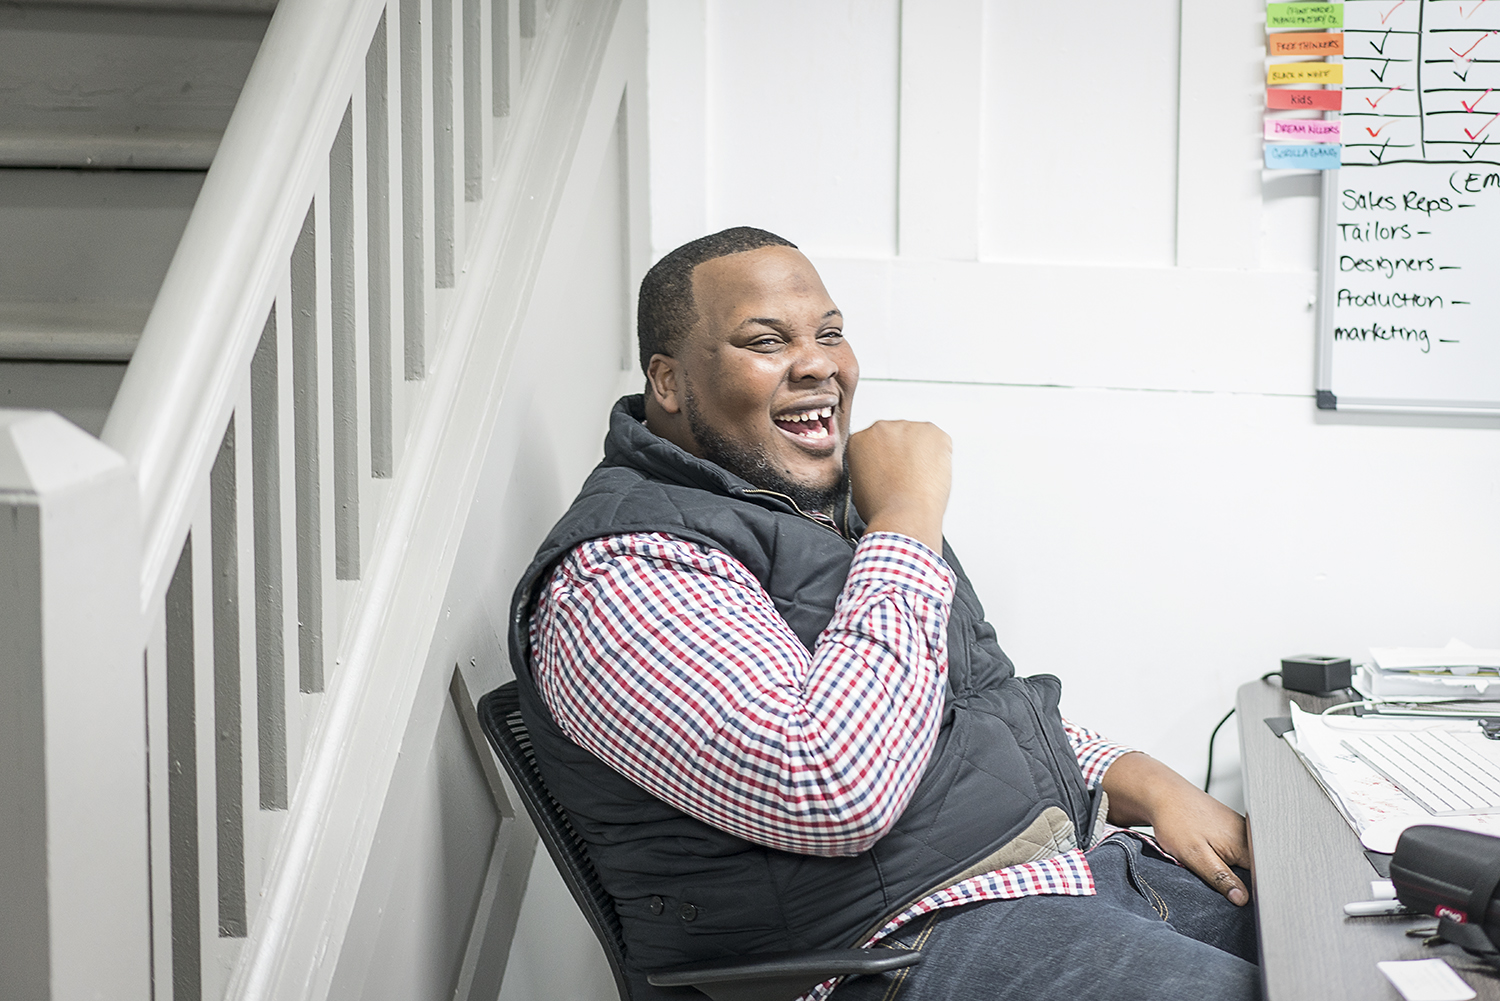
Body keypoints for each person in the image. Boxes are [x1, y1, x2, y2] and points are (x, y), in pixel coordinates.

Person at [507, 227, 1259, 1001]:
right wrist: (905, 516)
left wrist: (1142, 776)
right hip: (885, 955)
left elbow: (959, 710)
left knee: (1351, 935)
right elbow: (834, 789)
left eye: (830, 333)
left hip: (1049, 879)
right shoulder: (622, 570)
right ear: (667, 380)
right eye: (767, 340)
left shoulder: (813, 506)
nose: (819, 363)